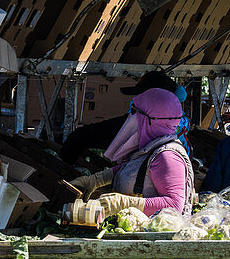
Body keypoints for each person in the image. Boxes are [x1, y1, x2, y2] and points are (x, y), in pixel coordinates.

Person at [75, 88, 194, 218]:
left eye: (135, 112)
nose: (131, 117)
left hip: (150, 235)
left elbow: (174, 205)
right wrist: (98, 179)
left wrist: (124, 203)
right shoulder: (153, 146)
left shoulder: (167, 156)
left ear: (150, 119)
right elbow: (138, 168)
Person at [60, 71, 183, 164]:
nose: (135, 103)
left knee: (78, 136)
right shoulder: (176, 127)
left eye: (141, 100)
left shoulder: (164, 153)